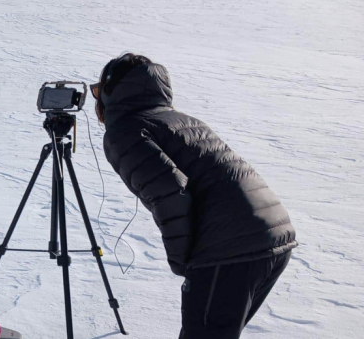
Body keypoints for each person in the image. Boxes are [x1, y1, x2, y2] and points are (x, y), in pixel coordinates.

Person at [92, 53, 296, 339]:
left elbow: (170, 193)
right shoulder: (179, 119)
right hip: (272, 234)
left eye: (98, 91)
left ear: (112, 92)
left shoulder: (126, 130)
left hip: (230, 248)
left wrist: (182, 260)